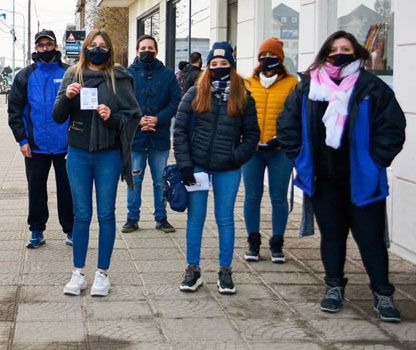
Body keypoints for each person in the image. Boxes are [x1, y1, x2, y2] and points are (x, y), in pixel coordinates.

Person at [277, 31, 406, 322]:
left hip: (363, 179)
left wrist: (375, 161)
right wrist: (299, 157)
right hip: (325, 181)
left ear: (356, 52)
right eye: (334, 49)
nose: (339, 53)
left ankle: (382, 293)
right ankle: (334, 287)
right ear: (324, 53)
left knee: (371, 239)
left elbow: (393, 127)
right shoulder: (308, 88)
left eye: (346, 48)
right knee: (332, 238)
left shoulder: (372, 87)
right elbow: (287, 124)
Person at [53, 30, 140, 297]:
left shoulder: (120, 77)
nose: (97, 49)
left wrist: (112, 117)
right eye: (93, 45)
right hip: (78, 153)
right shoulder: (72, 74)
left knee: (105, 214)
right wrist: (67, 97)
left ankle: (102, 273)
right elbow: (57, 116)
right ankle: (77, 273)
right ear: (85, 48)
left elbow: (133, 117)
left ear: (110, 50)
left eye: (103, 46)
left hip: (108, 154)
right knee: (81, 214)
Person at [174, 42, 259, 295]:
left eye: (224, 64)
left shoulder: (242, 95)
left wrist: (237, 157)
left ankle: (225, 271)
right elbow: (179, 129)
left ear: (231, 66)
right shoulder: (194, 93)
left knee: (225, 219)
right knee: (196, 219)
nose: (219, 68)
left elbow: (253, 134)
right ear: (207, 67)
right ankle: (193, 269)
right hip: (197, 166)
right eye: (214, 64)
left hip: (227, 167)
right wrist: (185, 164)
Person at [8, 29, 74, 248]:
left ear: (56, 46)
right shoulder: (25, 75)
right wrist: (22, 139)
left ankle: (71, 230)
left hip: (66, 145)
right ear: (35, 48)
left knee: (68, 190)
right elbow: (15, 111)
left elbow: (79, 108)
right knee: (36, 190)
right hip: (35, 146)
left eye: (49, 44)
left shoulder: (69, 72)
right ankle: (37, 231)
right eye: (41, 45)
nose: (45, 49)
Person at [241, 37, 297, 263]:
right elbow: (239, 115)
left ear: (280, 59)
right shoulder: (248, 83)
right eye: (264, 55)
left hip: (280, 150)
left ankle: (277, 243)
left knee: (278, 197)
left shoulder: (292, 84)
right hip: (252, 150)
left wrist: (280, 139)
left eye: (272, 56)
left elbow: (295, 118)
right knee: (252, 196)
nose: (268, 59)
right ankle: (253, 241)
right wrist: (246, 138)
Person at [124, 35, 181, 233]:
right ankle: (132, 218)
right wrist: (138, 119)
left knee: (160, 181)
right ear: (137, 50)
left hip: (160, 137)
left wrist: (158, 118)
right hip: (135, 138)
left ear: (156, 50)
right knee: (134, 180)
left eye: (150, 47)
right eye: (143, 48)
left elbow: (175, 101)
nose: (146, 51)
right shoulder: (127, 74)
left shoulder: (167, 75)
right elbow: (122, 103)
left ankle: (161, 217)